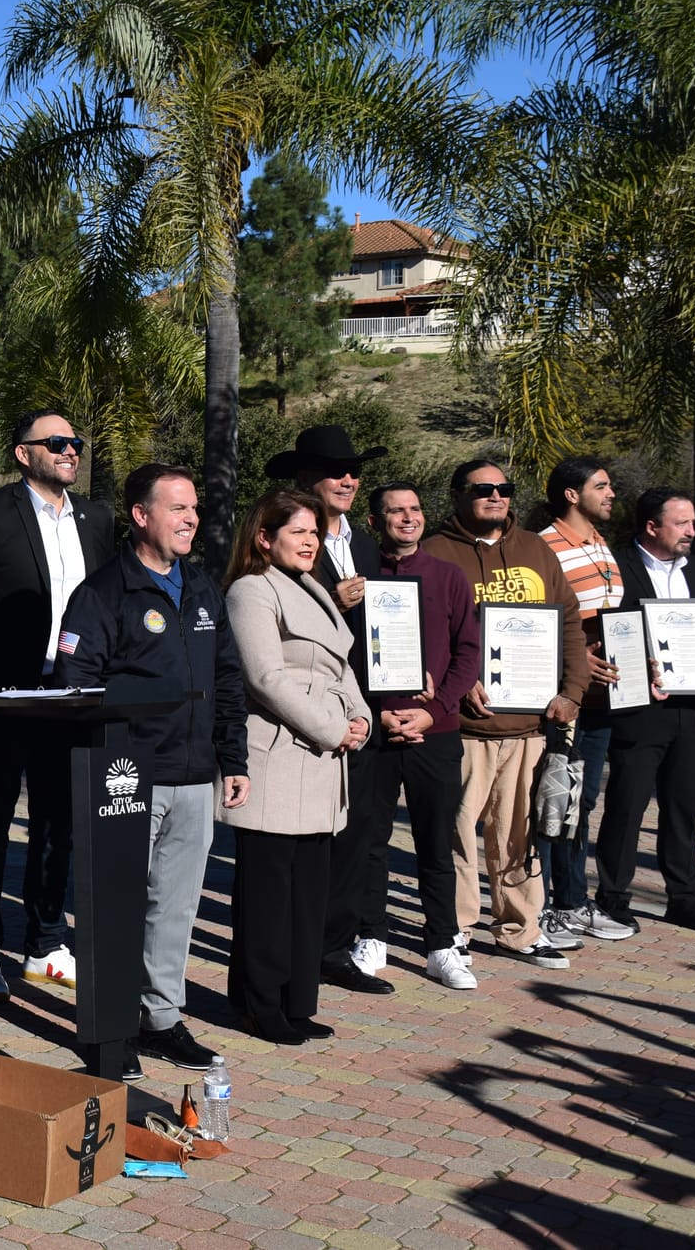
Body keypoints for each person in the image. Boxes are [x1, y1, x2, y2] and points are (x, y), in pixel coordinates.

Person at [57, 464, 248, 1082]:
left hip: (194, 775)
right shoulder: (103, 593)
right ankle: (109, 1027)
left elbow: (226, 679)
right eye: (178, 508)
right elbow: (74, 684)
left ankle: (161, 1017)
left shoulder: (200, 588)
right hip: (125, 774)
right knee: (115, 907)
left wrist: (233, 758)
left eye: (194, 508)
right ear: (142, 516)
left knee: (175, 907)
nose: (192, 518)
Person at [0, 410, 114, 1003]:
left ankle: (45, 942)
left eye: (76, 440)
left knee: (57, 822)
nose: (72, 449)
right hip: (2, 695)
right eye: (58, 442)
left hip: (69, 695)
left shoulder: (97, 519)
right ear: (25, 454)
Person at [420, 460, 589, 969]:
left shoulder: (537, 550)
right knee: (458, 833)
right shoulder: (434, 552)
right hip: (466, 728)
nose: (496, 497)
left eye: (505, 489)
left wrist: (572, 693)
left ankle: (521, 928)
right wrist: (460, 682)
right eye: (483, 489)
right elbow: (426, 638)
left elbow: (571, 627)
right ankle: (457, 932)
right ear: (457, 495)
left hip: (530, 726)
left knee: (519, 834)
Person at [222, 491, 370, 1044]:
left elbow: (341, 667)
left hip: (325, 758)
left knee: (309, 891)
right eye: (300, 532)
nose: (312, 542)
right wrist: (334, 729)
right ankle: (260, 1004)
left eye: (316, 533)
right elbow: (264, 677)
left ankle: (296, 1000)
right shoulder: (250, 590)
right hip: (281, 754)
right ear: (265, 537)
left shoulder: (312, 588)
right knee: (267, 894)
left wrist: (361, 720)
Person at [594, 488, 695, 934]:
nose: (692, 530)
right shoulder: (615, 570)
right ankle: (612, 899)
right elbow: (607, 634)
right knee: (626, 809)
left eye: (692, 522)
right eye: (682, 523)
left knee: (684, 810)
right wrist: (635, 668)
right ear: (652, 527)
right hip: (641, 709)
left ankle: (685, 901)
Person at [264, 425, 394, 993]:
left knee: (360, 834)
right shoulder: (282, 546)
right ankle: (296, 951)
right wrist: (331, 605)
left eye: (354, 470)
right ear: (304, 479)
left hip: (366, 714)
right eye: (335, 470)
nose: (348, 479)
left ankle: (336, 948)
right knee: (309, 846)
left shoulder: (368, 545)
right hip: (304, 723)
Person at [364, 483, 483, 989]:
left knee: (437, 842)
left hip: (435, 730)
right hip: (376, 729)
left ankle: (441, 943)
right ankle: (370, 935)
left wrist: (434, 711)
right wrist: (378, 711)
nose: (408, 518)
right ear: (376, 521)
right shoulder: (360, 577)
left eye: (414, 510)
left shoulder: (448, 577)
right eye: (396, 511)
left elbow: (468, 652)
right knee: (368, 840)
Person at [535, 458, 637, 944]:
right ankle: (556, 906)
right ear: (571, 495)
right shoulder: (544, 545)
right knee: (559, 799)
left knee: (583, 800)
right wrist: (575, 667)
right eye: (602, 486)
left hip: (605, 698)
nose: (612, 492)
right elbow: (538, 622)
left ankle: (574, 901)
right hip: (568, 696)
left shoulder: (600, 544)